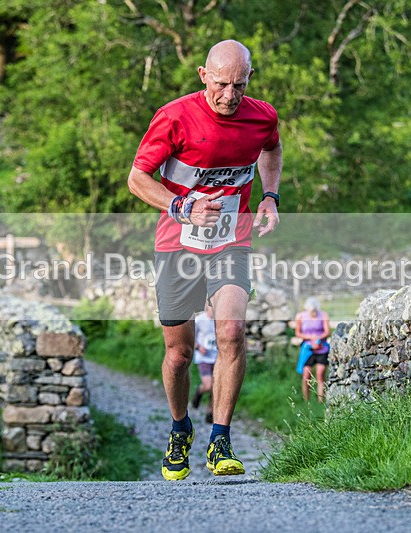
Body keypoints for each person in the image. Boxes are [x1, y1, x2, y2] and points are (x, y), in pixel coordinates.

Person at [127, 39, 283, 480]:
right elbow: (137, 178)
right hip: (177, 244)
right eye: (220, 84)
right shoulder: (175, 116)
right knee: (179, 354)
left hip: (231, 240)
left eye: (238, 85)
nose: (229, 95)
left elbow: (271, 149)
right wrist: (181, 206)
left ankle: (221, 440)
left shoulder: (262, 115)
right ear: (203, 76)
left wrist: (269, 196)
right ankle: (180, 429)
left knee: (231, 331)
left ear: (249, 78)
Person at [295, 297, 331, 403]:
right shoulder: (300, 316)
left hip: (322, 348)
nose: (313, 313)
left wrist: (318, 339)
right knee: (306, 376)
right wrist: (311, 338)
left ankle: (321, 401)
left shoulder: (323, 315)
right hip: (308, 349)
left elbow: (327, 332)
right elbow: (298, 332)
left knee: (320, 374)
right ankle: (307, 401)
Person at [192, 303, 217, 424]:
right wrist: (198, 347)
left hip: (217, 358)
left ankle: (210, 412)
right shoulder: (199, 320)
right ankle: (199, 391)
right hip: (203, 358)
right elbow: (191, 337)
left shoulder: (220, 320)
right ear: (207, 306)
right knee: (209, 385)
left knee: (216, 387)